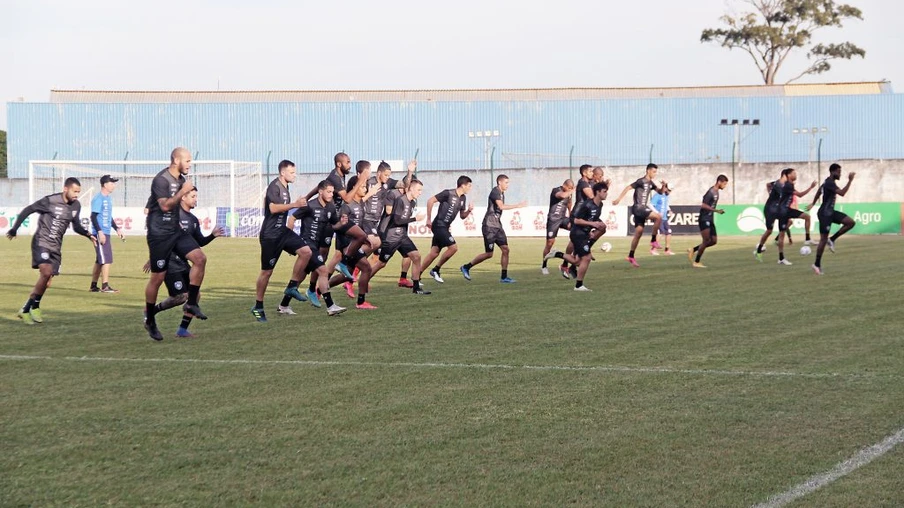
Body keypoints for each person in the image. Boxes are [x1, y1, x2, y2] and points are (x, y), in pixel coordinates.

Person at [7, 177, 97, 325]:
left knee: (47, 281)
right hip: (41, 242)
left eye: (78, 192)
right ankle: (34, 307)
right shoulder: (50, 201)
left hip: (56, 247)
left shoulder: (76, 206)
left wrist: (88, 235)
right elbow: (28, 209)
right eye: (75, 191)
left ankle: (26, 309)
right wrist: (14, 228)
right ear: (66, 189)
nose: (76, 194)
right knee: (46, 271)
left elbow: (76, 226)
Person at [143, 147, 209, 341]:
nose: (190, 164)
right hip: (159, 235)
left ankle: (191, 303)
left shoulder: (180, 180)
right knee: (157, 278)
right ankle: (150, 319)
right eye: (187, 161)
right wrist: (183, 191)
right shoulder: (161, 180)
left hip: (175, 231)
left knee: (200, 258)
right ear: (176, 160)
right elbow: (164, 205)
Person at [143, 187, 225, 337]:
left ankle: (182, 330)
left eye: (196, 196)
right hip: (170, 263)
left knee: (196, 295)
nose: (196, 199)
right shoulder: (172, 216)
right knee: (179, 297)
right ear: (183, 198)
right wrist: (153, 257)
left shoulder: (193, 220)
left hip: (184, 262)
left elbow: (198, 242)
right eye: (193, 196)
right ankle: (151, 311)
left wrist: (212, 235)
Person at [251, 159, 313, 322]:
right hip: (270, 235)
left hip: (283, 232)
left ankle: (292, 286)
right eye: (292, 172)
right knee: (267, 272)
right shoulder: (274, 186)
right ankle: (258, 307)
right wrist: (295, 204)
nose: (294, 175)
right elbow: (273, 208)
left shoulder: (286, 187)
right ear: (282, 172)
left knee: (306, 252)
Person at [290, 180, 348, 316]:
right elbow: (292, 217)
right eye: (328, 192)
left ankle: (284, 304)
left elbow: (334, 226)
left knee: (301, 275)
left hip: (315, 245)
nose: (331, 194)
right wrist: (291, 239)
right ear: (320, 191)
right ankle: (330, 306)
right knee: (323, 271)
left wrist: (342, 223)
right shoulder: (309, 206)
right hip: (306, 244)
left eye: (332, 192)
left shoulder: (330, 208)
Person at [460, 174, 527, 283]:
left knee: (505, 249)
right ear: (499, 182)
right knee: (489, 254)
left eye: (508, 183)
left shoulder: (501, 193)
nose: (508, 185)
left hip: (497, 226)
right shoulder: (495, 192)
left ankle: (504, 277)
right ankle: (466, 267)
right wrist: (517, 205)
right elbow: (501, 206)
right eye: (506, 182)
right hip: (489, 226)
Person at [544, 182, 609, 291]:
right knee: (586, 258)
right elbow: (576, 220)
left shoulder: (600, 205)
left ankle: (557, 253)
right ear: (598, 192)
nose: (606, 194)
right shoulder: (587, 204)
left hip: (584, 233)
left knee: (577, 261)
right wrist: (592, 225)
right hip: (577, 233)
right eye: (605, 191)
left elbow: (591, 218)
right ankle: (578, 285)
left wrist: (596, 225)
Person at [360, 160, 415, 288]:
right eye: (386, 175)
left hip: (375, 222)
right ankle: (353, 271)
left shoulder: (388, 184)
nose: (388, 177)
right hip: (366, 219)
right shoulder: (369, 182)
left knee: (373, 249)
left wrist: (410, 171)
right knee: (374, 247)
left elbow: (404, 183)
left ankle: (354, 274)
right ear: (379, 173)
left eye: (389, 175)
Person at [370, 179, 430, 294]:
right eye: (419, 190)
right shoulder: (400, 200)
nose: (420, 192)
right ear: (411, 189)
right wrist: (415, 219)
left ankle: (416, 288)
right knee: (381, 263)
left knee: (416, 256)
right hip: (392, 237)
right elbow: (396, 220)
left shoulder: (412, 202)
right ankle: (364, 281)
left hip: (402, 237)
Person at [328, 176, 378, 308]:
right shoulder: (347, 206)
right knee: (366, 268)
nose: (365, 188)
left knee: (347, 275)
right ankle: (361, 302)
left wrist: (365, 238)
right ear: (353, 189)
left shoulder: (361, 203)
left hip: (354, 244)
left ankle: (321, 288)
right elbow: (341, 227)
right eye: (362, 186)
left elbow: (358, 227)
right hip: (348, 245)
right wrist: (346, 247)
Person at [612, 163, 666, 267]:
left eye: (656, 172)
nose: (655, 174)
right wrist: (619, 199)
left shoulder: (651, 183)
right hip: (638, 207)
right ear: (648, 171)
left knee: (638, 233)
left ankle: (631, 256)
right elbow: (628, 187)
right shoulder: (641, 181)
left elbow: (660, 192)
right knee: (658, 216)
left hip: (641, 209)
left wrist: (663, 185)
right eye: (654, 172)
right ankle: (653, 240)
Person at [422, 175, 474, 283]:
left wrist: (469, 210)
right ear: (463, 185)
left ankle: (416, 277)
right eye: (469, 186)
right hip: (439, 225)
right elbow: (430, 201)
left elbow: (462, 216)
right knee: (453, 248)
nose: (470, 188)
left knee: (434, 253)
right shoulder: (448, 193)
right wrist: (428, 219)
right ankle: (436, 270)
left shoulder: (463, 198)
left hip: (445, 227)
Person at [807, 163, 857, 275]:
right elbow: (842, 193)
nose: (840, 174)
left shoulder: (827, 182)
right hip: (825, 214)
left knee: (850, 222)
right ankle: (816, 264)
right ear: (833, 172)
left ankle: (832, 239)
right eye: (839, 172)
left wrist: (813, 203)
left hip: (830, 212)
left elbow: (819, 191)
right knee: (823, 239)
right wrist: (850, 180)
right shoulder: (829, 183)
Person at [89, 175, 125, 293]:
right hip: (100, 233)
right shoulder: (98, 198)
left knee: (100, 260)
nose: (113, 185)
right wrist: (99, 232)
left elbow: (109, 217)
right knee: (106, 260)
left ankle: (94, 286)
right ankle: (105, 286)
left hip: (105, 232)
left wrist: (117, 229)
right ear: (105, 184)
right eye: (111, 183)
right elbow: (93, 216)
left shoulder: (108, 198)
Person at [558, 165, 595, 278]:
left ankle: (569, 264)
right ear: (584, 173)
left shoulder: (588, 183)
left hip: (582, 215)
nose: (592, 173)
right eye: (590, 171)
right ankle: (567, 263)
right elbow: (592, 196)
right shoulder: (583, 183)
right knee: (575, 240)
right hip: (578, 215)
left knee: (575, 240)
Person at [773, 168, 816, 265]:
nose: (795, 174)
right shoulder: (788, 185)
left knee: (807, 217)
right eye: (793, 173)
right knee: (782, 234)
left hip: (787, 210)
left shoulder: (789, 185)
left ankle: (808, 239)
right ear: (788, 175)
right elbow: (800, 195)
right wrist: (811, 187)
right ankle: (781, 258)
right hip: (783, 212)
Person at [687, 175, 728, 268]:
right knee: (706, 240)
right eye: (724, 184)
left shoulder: (717, 192)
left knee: (713, 241)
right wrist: (716, 211)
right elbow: (703, 205)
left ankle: (693, 249)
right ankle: (696, 262)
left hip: (710, 219)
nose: (725, 186)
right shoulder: (711, 192)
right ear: (719, 182)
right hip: (704, 219)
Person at [754, 168, 791, 262]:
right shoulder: (779, 185)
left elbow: (768, 184)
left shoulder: (776, 183)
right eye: (789, 175)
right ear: (784, 175)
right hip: (770, 210)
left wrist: (770, 193)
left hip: (776, 209)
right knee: (769, 231)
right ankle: (758, 250)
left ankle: (777, 242)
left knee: (789, 221)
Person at [541, 179, 574, 275]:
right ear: (565, 185)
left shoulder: (569, 193)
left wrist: (570, 212)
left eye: (571, 189)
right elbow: (563, 195)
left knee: (576, 230)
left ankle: (565, 263)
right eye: (569, 188)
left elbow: (569, 202)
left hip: (563, 218)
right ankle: (544, 265)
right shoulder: (556, 190)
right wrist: (573, 190)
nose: (570, 190)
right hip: (553, 220)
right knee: (550, 243)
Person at [649, 183, 675, 256]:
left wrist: (669, 210)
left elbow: (666, 205)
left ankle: (667, 249)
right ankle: (653, 249)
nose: (669, 192)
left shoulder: (666, 196)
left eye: (670, 191)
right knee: (661, 233)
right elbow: (650, 205)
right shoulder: (657, 195)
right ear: (665, 188)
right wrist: (657, 213)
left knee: (669, 232)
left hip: (665, 218)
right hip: (658, 218)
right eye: (669, 190)